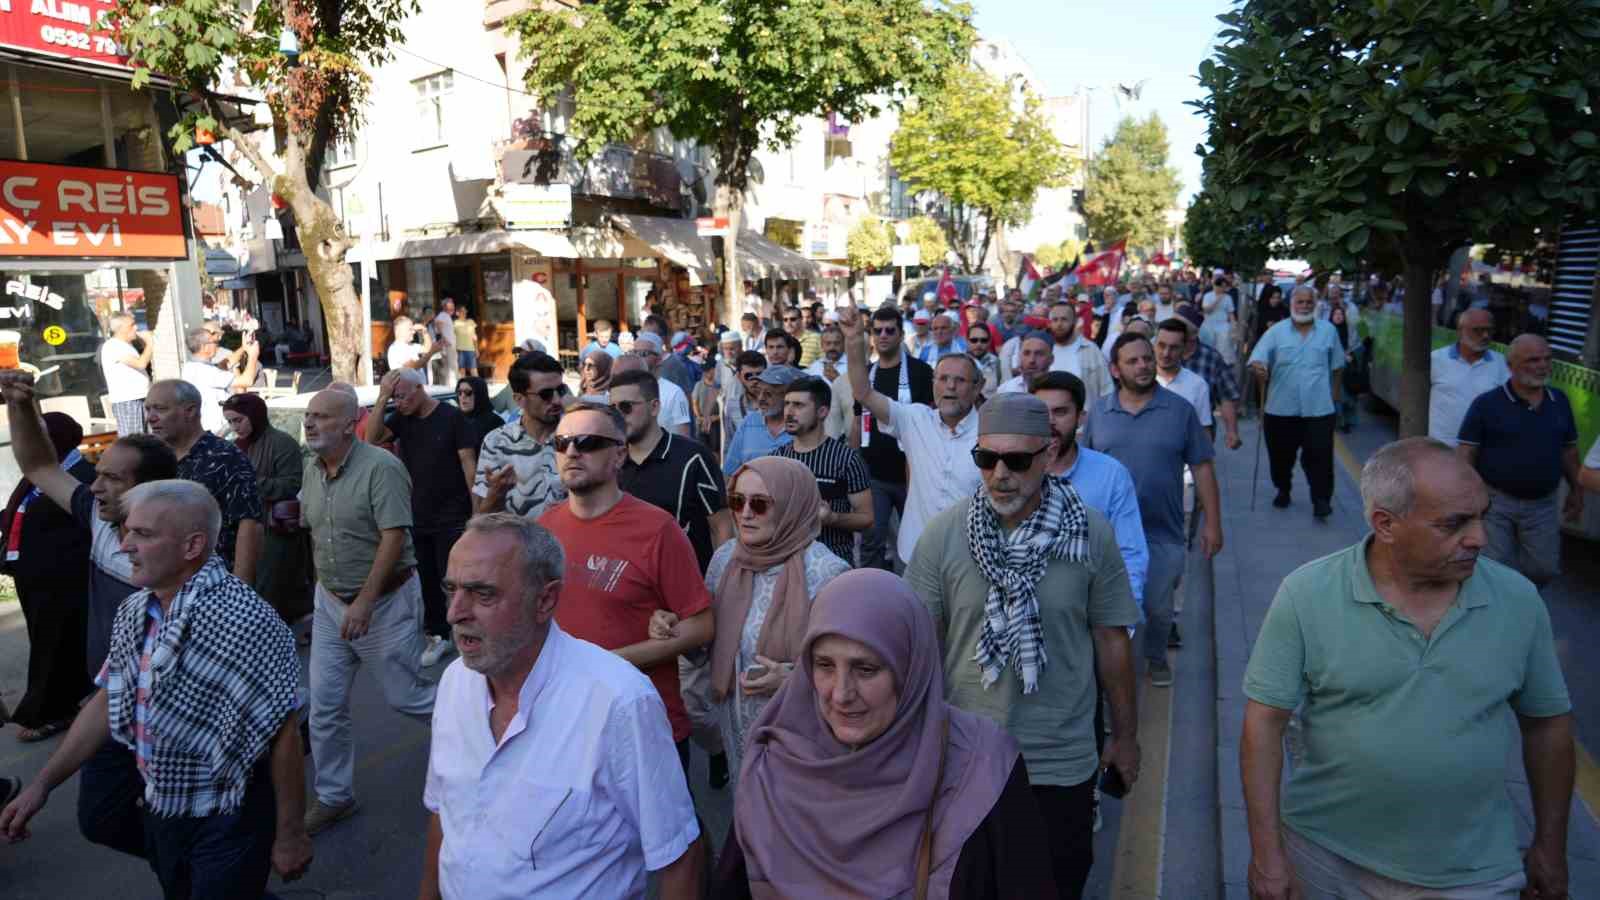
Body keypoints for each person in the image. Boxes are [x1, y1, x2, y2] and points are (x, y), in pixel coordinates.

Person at [1241, 438, 1573, 900]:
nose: (1480, 537)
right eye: (1454, 524)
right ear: (1386, 524)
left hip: (1475, 874)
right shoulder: (1307, 594)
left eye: (1482, 515)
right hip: (1325, 861)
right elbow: (1263, 724)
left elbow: (1548, 727)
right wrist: (1267, 854)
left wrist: (1550, 846)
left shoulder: (1518, 600)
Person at [0, 480, 312, 896]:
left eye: (144, 534)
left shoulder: (244, 620)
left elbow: (283, 732)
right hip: (166, 803)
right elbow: (110, 696)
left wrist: (290, 835)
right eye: (128, 530)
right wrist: (42, 784)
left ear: (192, 546)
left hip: (229, 811)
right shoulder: (137, 608)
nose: (126, 544)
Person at [906, 393, 1142, 899]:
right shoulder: (944, 536)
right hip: (965, 761)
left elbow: (1111, 640)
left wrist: (1124, 736)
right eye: (985, 459)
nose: (999, 474)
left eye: (1016, 460)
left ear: (1049, 454)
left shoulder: (1089, 535)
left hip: (1059, 765)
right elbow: (919, 647)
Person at [714, 568, 1058, 899]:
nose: (841, 694)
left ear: (911, 668)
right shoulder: (776, 765)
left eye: (866, 669)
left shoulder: (981, 766)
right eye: (824, 666)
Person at [421, 514, 704, 900]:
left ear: (545, 600)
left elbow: (679, 858)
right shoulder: (455, 682)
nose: (455, 612)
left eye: (483, 593)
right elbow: (445, 811)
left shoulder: (618, 702)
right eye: (450, 589)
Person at [2, 370, 178, 859]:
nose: (94, 486)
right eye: (98, 473)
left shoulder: (182, 566)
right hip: (108, 700)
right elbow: (39, 464)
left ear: (150, 489)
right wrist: (20, 405)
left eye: (111, 478)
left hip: (164, 714)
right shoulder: (102, 520)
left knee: (184, 817)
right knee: (103, 818)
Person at [538, 402, 716, 769]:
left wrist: (611, 663)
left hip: (643, 723)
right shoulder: (545, 528)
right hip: (566, 719)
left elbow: (701, 625)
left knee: (674, 827)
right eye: (562, 442)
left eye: (587, 442)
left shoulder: (657, 529)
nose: (572, 452)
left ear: (619, 454)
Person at [300, 388, 438, 835]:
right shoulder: (311, 470)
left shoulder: (383, 467)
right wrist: (327, 596)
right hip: (330, 602)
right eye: (308, 415)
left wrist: (365, 600)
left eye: (321, 416)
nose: (310, 422)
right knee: (324, 705)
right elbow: (316, 532)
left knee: (406, 696)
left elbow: (394, 537)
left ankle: (481, 727)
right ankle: (335, 796)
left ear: (348, 424)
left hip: (386, 602)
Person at [680, 457, 851, 780]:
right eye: (736, 500)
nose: (744, 513)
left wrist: (793, 680)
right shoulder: (726, 558)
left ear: (792, 507)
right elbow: (705, 641)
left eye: (759, 504)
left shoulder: (828, 573)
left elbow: (851, 672)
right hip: (737, 736)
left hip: (801, 737)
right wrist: (675, 628)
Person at [1084, 334, 1223, 688]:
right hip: (1108, 535)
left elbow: (1203, 466)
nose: (1144, 365)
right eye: (1133, 361)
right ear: (1116, 370)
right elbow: (1080, 465)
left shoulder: (1179, 411)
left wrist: (1213, 525)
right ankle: (1116, 676)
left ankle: (1156, 656)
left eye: (1147, 358)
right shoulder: (1099, 413)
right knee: (1113, 611)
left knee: (1158, 609)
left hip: (1162, 531)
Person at [842, 305, 983, 570]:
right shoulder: (915, 419)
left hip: (968, 563)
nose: (950, 387)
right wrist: (853, 339)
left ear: (978, 387)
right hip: (916, 557)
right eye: (943, 379)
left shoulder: (991, 433)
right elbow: (862, 392)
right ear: (934, 384)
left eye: (960, 380)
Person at [369, 367, 478, 664]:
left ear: (419, 389)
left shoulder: (452, 417)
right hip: (417, 514)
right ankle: (439, 634)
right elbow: (372, 437)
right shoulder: (402, 419)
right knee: (427, 578)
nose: (398, 403)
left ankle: (467, 630)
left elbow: (469, 465)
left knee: (452, 578)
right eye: (394, 398)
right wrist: (381, 399)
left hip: (453, 514)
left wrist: (477, 514)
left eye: (401, 396)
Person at [1456, 334, 1582, 586]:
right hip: (1495, 503)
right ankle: (1494, 613)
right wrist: (1466, 498)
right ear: (1511, 365)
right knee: (1490, 569)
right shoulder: (1487, 404)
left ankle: (1521, 602)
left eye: (1547, 359)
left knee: (1543, 569)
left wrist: (1577, 491)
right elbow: (1466, 453)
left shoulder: (1560, 402)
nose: (1542, 365)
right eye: (1533, 360)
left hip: (1543, 505)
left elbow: (1569, 451)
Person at [0, 412, 94, 742]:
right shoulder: (39, 476)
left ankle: (50, 711)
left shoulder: (82, 476)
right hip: (34, 578)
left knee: (57, 645)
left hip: (63, 582)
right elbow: (23, 512)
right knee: (47, 642)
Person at [1034, 372, 1147, 612]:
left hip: (1090, 616)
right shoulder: (1010, 470)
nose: (1050, 422)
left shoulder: (1110, 475)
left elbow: (1129, 553)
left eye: (1060, 412)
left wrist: (1124, 623)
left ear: (1081, 418)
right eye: (1041, 413)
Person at [144, 379, 264, 584]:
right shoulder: (154, 457)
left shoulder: (225, 457)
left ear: (190, 411)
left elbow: (249, 525)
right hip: (166, 584)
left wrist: (240, 592)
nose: (151, 418)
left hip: (213, 586)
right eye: (148, 409)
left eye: (160, 409)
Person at [613, 369, 733, 573]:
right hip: (629, 586)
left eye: (626, 407)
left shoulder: (694, 457)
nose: (618, 416)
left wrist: (720, 583)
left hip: (687, 586)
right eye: (612, 409)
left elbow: (721, 526)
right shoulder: (610, 461)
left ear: (654, 407)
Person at [1248, 285, 1345, 518]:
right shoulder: (1276, 332)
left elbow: (1338, 365)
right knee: (1281, 458)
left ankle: (1321, 500)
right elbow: (1256, 360)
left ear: (1315, 304)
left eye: (1308, 302)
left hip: (1319, 408)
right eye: (1299, 302)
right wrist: (1259, 369)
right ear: (1291, 305)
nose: (1304, 306)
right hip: (1281, 408)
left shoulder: (1328, 331)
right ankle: (1283, 488)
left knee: (1320, 458)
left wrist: (1334, 397)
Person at [851, 308, 935, 571]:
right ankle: (870, 597)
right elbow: (857, 420)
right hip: (873, 473)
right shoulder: (865, 374)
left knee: (916, 542)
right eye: (877, 330)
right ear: (871, 335)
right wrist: (853, 466)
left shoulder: (921, 371)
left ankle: (913, 599)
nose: (883, 335)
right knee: (872, 540)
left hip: (914, 472)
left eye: (890, 330)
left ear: (901, 334)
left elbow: (931, 420)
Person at [221, 392, 312, 626]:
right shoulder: (232, 448)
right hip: (239, 528)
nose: (234, 427)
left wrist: (251, 482)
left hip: (273, 530)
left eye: (238, 420)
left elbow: (292, 483)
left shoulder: (282, 443)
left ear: (255, 415)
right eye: (230, 422)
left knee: (268, 590)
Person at [770, 376, 874, 564]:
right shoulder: (777, 459)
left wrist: (833, 518)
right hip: (786, 562)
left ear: (822, 412)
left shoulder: (846, 459)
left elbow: (866, 518)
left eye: (799, 405)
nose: (789, 412)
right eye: (787, 404)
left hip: (833, 562)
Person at [474, 351, 567, 521]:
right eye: (546, 394)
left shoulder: (577, 436)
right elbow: (482, 519)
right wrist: (496, 493)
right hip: (518, 545)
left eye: (561, 390)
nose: (557, 400)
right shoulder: (496, 442)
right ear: (519, 399)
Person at [1428, 308, 1508, 447]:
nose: (1485, 335)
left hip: (1483, 449)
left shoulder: (1502, 364)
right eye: (1477, 330)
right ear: (1460, 332)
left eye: (1489, 330)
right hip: (1442, 449)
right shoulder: (1436, 359)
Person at [1172, 307, 1243, 450]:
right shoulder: (1157, 355)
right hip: (1162, 430)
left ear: (1193, 334)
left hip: (1199, 432)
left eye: (1179, 327)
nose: (1172, 330)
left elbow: (1226, 396)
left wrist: (1231, 431)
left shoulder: (1212, 357)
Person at [180, 325, 260, 434]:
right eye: (214, 342)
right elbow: (247, 380)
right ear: (205, 347)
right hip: (216, 432)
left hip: (209, 430)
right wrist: (253, 355)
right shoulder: (204, 371)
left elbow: (225, 364)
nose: (217, 345)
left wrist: (244, 348)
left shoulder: (192, 366)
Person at [722, 364, 800, 475]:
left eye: (768, 394)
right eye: (758, 392)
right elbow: (729, 471)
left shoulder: (801, 425)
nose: (761, 398)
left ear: (786, 396)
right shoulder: (749, 422)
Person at [99, 312, 154, 436]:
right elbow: (140, 364)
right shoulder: (113, 346)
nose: (136, 328)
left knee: (148, 440)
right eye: (131, 325)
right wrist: (150, 343)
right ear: (121, 328)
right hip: (128, 400)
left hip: (141, 397)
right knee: (134, 441)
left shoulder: (127, 345)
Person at [1153, 319, 1214, 430]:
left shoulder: (1198, 385)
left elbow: (1204, 432)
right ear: (1154, 344)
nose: (1166, 353)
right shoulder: (1139, 381)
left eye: (1174, 347)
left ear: (1184, 348)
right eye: (1161, 345)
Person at [1045, 302, 1113, 401]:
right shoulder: (1045, 350)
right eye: (1055, 320)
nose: (1059, 324)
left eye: (1064, 319)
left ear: (1075, 321)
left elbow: (1107, 390)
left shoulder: (1091, 350)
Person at [631, 332, 694, 436]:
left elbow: (684, 436)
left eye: (643, 354)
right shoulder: (627, 389)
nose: (637, 358)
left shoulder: (675, 393)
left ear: (659, 359)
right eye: (634, 353)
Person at [721, 350, 766, 459]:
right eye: (749, 376)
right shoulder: (732, 406)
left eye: (759, 374)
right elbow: (730, 444)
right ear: (739, 376)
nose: (755, 380)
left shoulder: (779, 403)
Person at [453, 376, 502, 450]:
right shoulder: (455, 420)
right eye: (459, 392)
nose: (462, 396)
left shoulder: (495, 423)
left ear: (479, 394)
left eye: (468, 392)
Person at [387, 315, 441, 383]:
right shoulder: (396, 349)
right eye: (410, 329)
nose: (414, 332)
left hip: (417, 390)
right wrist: (432, 352)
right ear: (399, 331)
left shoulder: (411, 345)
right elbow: (414, 366)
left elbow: (427, 349)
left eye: (413, 329)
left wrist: (424, 332)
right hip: (408, 392)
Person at [1199, 276, 1238, 364]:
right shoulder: (1207, 296)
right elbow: (1206, 310)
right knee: (1208, 346)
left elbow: (1231, 313)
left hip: (1223, 326)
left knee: (1224, 348)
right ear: (1215, 286)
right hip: (1208, 325)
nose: (1223, 289)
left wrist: (1234, 327)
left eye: (1225, 287)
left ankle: (1223, 364)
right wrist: (1217, 299)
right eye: (1221, 286)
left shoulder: (1228, 297)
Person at [967, 321, 1002, 395]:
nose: (979, 344)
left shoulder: (997, 362)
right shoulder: (960, 362)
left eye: (983, 340)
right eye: (974, 340)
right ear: (967, 341)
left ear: (989, 342)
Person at [693, 362, 722, 451]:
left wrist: (717, 417)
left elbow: (724, 406)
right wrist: (700, 417)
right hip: (701, 424)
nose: (706, 373)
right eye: (705, 371)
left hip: (716, 424)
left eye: (709, 370)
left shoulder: (720, 386)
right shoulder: (699, 385)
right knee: (702, 449)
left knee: (715, 449)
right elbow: (695, 403)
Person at [432, 298, 458, 388]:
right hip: (447, 345)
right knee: (451, 366)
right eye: (450, 306)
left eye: (453, 306)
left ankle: (449, 386)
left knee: (449, 366)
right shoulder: (442, 315)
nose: (453, 308)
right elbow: (438, 328)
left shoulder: (446, 316)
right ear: (444, 307)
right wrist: (444, 340)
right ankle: (452, 386)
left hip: (449, 345)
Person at [452, 306, 478, 378]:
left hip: (471, 349)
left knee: (473, 370)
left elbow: (474, 336)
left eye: (465, 311)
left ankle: (478, 386)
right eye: (462, 311)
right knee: (462, 370)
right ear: (457, 313)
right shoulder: (455, 323)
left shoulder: (471, 321)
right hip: (460, 350)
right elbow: (452, 337)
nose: (464, 313)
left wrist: (476, 349)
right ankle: (462, 387)